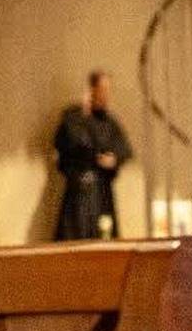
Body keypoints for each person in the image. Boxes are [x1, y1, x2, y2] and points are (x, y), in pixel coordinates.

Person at [53, 71, 133, 241]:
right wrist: (83, 113)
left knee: (104, 239)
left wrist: (114, 159)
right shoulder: (73, 117)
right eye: (102, 90)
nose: (105, 95)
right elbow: (74, 141)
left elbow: (125, 149)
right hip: (79, 193)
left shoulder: (109, 122)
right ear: (92, 90)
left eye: (108, 91)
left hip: (102, 193)